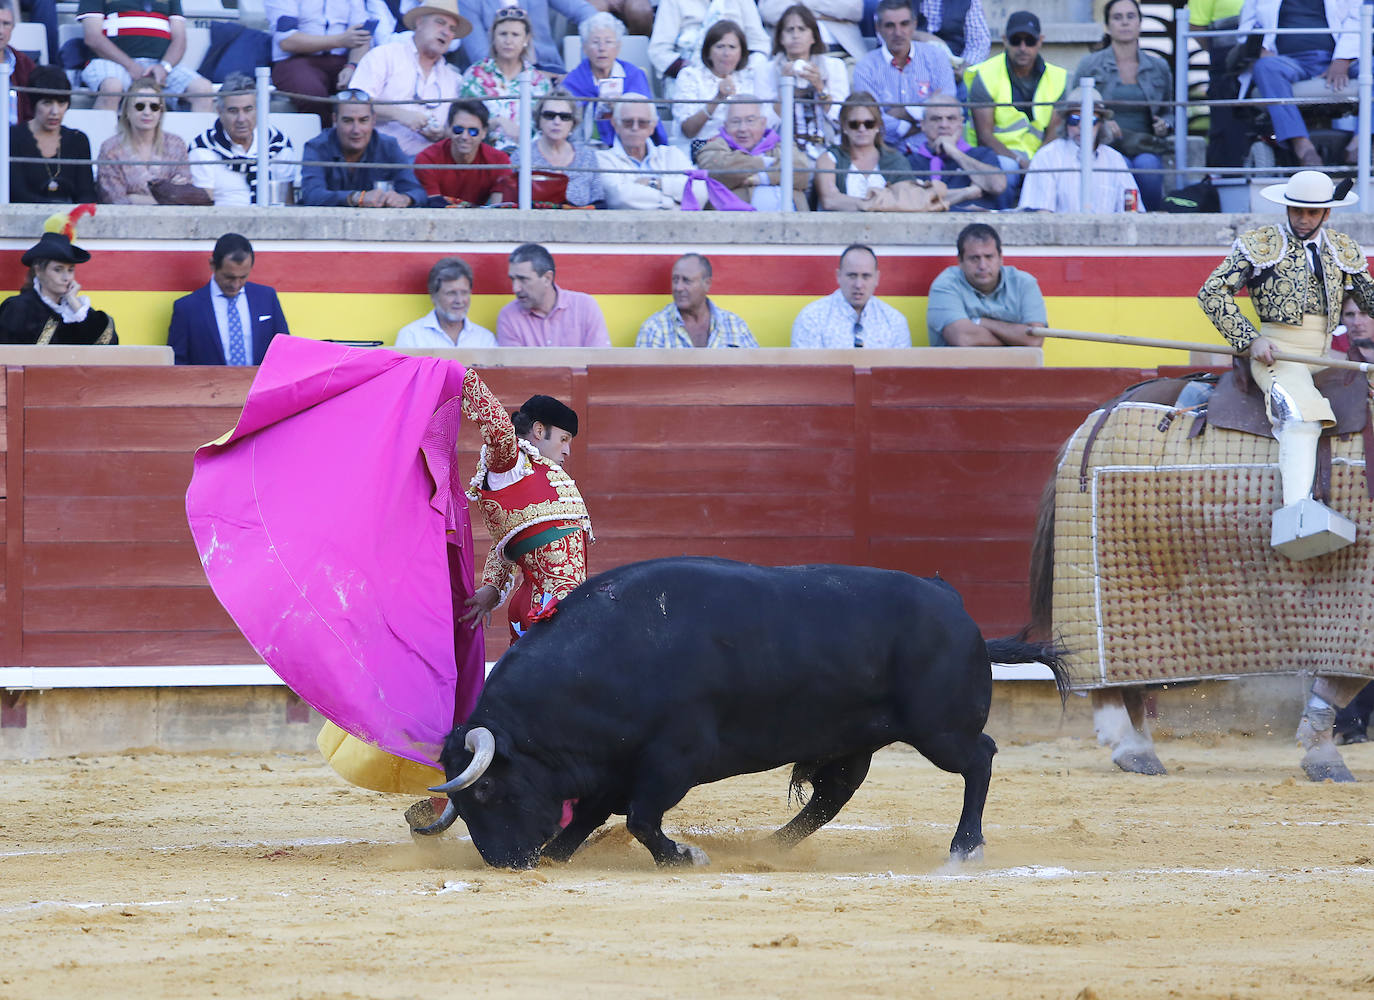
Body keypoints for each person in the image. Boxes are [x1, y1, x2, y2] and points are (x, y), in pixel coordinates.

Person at [1199, 170, 1374, 517]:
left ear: (1327, 212)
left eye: (1312, 212)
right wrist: (1251, 339)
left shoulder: (1342, 249)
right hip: (1277, 355)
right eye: (1297, 210)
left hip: (1327, 355)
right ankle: (1297, 514)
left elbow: (1370, 299)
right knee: (1300, 419)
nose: (1303, 219)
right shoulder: (1261, 244)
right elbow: (1212, 292)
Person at [1069, 0, 1172, 210]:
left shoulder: (1158, 67)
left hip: (1146, 145)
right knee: (1119, 165)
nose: (1124, 22)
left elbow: (1170, 111)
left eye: (1130, 16)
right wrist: (1099, 124)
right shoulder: (1090, 65)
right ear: (1107, 26)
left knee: (1148, 166)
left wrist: (1165, 124)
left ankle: (1151, 220)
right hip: (1105, 145)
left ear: (1140, 24)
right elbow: (1074, 106)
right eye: (1117, 17)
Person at [1243, 0, 1358, 167]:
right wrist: (1261, 48)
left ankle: (1360, 143)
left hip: (1342, 58)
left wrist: (1342, 59)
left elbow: (1358, 19)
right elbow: (1248, 25)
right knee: (1265, 67)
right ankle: (1303, 147)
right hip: (1290, 61)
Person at [348, 0, 469, 157]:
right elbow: (354, 103)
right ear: (419, 22)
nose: (446, 32)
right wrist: (400, 115)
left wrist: (440, 133)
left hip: (431, 164)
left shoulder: (453, 79)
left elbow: (454, 130)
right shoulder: (384, 56)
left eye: (452, 29)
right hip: (379, 158)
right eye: (440, 23)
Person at [963, 11, 1066, 188]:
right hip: (997, 156)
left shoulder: (1057, 77)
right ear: (1005, 40)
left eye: (1030, 41)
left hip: (1040, 156)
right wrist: (1019, 161)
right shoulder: (986, 74)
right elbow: (984, 136)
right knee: (1007, 172)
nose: (1023, 47)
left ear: (1040, 41)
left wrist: (1037, 163)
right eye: (1016, 40)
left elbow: (1054, 133)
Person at [167, 233, 291, 366]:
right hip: (208, 385)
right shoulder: (187, 308)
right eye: (229, 277)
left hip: (261, 385)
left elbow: (285, 349)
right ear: (213, 265)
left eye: (243, 277)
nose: (236, 284)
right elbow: (177, 363)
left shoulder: (267, 297)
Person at [851, 0, 955, 155]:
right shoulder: (865, 67)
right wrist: (921, 119)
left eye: (904, 24)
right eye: (890, 25)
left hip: (935, 151)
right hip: (885, 154)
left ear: (914, 25)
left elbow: (946, 107)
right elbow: (871, 119)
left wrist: (901, 112)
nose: (898, 32)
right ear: (878, 28)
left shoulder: (936, 57)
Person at [0, 207, 116, 345]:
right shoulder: (19, 308)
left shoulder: (76, 312)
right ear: (38, 270)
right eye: (58, 270)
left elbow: (108, 346)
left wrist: (75, 304)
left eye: (70, 270)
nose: (66, 278)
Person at [1018, 85, 1143, 213]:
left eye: (1091, 120)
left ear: (1101, 124)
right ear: (1066, 122)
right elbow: (1042, 216)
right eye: (1075, 119)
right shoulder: (1046, 157)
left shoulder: (1115, 159)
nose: (1082, 126)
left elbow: (1132, 213)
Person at [76, 0, 214, 112]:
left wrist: (164, 67)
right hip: (111, 61)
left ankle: (196, 146)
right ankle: (102, 145)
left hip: (159, 65)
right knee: (112, 88)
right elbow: (92, 37)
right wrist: (130, 66)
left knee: (203, 90)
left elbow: (180, 40)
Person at [298, 89, 428, 206]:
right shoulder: (316, 147)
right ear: (334, 120)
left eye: (363, 120)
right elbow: (312, 195)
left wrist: (405, 199)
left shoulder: (389, 146)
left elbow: (417, 192)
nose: (356, 130)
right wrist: (356, 198)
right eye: (348, 121)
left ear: (373, 120)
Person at [755, 5, 850, 166]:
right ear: (780, 38)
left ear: (813, 37)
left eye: (802, 29)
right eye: (789, 30)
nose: (795, 35)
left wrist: (820, 88)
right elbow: (764, 124)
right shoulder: (766, 70)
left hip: (828, 148)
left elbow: (842, 120)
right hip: (782, 150)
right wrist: (784, 89)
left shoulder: (834, 66)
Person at [926, 222, 1047, 346]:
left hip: (1013, 365)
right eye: (974, 258)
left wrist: (981, 322)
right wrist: (1015, 339)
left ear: (1000, 258)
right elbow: (963, 338)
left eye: (989, 257)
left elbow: (1035, 340)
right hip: (962, 365)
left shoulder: (1024, 283)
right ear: (960, 261)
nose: (982, 266)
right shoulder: (945, 285)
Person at [189, 73, 299, 206]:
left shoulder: (277, 144)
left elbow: (288, 205)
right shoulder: (203, 149)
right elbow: (203, 209)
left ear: (259, 110)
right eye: (233, 111)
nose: (241, 119)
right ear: (219, 111)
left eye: (248, 110)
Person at [459, 6, 554, 154]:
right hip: (483, 156)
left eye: (515, 34)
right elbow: (462, 124)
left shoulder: (539, 81)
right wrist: (497, 122)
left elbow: (547, 127)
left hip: (529, 158)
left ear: (526, 39)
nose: (508, 41)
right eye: (503, 34)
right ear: (493, 38)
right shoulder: (475, 75)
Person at [97, 79, 207, 205]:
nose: (147, 112)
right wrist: (167, 197)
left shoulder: (176, 144)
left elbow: (183, 196)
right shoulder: (110, 149)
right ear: (127, 111)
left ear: (161, 112)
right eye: (140, 106)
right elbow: (115, 200)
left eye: (154, 107)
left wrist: (134, 198)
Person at [562, 12, 664, 149]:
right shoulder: (574, 80)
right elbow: (564, 115)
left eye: (608, 42)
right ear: (585, 48)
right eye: (595, 42)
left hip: (629, 146)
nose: (602, 48)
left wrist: (622, 108)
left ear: (618, 47)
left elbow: (647, 114)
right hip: (584, 148)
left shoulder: (633, 75)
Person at [673, 20, 770, 159]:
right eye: (720, 46)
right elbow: (688, 130)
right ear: (708, 52)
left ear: (741, 53)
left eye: (732, 47)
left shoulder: (749, 78)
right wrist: (718, 98)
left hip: (743, 152)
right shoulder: (690, 76)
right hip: (703, 151)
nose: (726, 53)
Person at [264, 0, 373, 122]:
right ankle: (323, 139)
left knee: (368, 89)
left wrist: (352, 66)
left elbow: (363, 35)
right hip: (295, 60)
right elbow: (287, 40)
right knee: (312, 94)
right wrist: (340, 41)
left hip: (343, 61)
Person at [695, 96, 810, 211]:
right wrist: (765, 162)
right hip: (737, 224)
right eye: (735, 121)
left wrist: (763, 178)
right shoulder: (714, 146)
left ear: (763, 123)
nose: (743, 128)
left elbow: (802, 172)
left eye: (750, 121)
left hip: (792, 223)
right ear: (726, 125)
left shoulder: (781, 144)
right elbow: (717, 170)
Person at [791, 244, 912, 348]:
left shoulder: (894, 321)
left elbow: (901, 374)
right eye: (852, 276)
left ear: (877, 278)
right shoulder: (812, 318)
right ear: (838, 276)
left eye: (866, 276)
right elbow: (806, 373)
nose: (858, 285)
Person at [7, 65, 96, 204]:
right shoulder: (12, 137)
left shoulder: (79, 140)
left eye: (61, 103)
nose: (55, 111)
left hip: (71, 221)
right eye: (47, 103)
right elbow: (17, 193)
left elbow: (87, 193)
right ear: (34, 103)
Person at [814, 90, 915, 211]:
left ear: (878, 126)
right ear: (844, 127)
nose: (862, 129)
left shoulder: (897, 161)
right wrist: (868, 204)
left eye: (869, 124)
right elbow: (829, 200)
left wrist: (860, 204)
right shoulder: (829, 158)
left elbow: (909, 199)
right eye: (854, 124)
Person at [904, 91, 1006, 209]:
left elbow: (997, 186)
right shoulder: (909, 161)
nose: (944, 124)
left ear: (961, 123)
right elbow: (913, 203)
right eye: (936, 119)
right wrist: (966, 193)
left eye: (951, 118)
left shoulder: (982, 154)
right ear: (922, 125)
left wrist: (954, 152)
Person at [497, 243, 611, 347]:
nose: (515, 288)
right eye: (512, 279)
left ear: (547, 278)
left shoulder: (585, 307)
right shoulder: (509, 316)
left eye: (523, 279)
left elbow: (600, 362)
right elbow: (514, 368)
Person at [597, 93, 697, 209]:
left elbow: (699, 190)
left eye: (643, 123)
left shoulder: (671, 154)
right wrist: (673, 204)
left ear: (652, 127)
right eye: (628, 122)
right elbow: (620, 198)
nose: (635, 128)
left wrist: (655, 182)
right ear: (615, 124)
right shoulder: (603, 159)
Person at [635, 253, 757, 348]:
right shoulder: (654, 328)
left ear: (707, 284)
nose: (678, 287)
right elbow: (644, 379)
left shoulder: (734, 325)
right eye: (675, 280)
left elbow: (757, 374)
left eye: (686, 280)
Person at [511, 88, 606, 208]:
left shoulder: (587, 156)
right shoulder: (522, 156)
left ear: (573, 122)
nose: (557, 121)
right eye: (549, 115)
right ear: (538, 119)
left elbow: (598, 202)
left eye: (564, 117)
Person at [414, 98, 513, 206]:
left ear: (484, 133)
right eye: (458, 130)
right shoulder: (427, 159)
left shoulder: (499, 161)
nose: (465, 136)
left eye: (473, 131)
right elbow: (434, 205)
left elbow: (497, 210)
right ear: (448, 129)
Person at [648, 0, 770, 85]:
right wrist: (696, 75)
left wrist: (742, 72)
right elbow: (659, 51)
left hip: (737, 75)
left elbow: (760, 43)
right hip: (690, 78)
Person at [1187, 0, 1245, 167]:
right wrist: (1224, 55)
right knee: (1226, 128)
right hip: (1225, 69)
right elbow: (1196, 26)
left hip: (1268, 64)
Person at [395, 256, 497, 348]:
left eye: (464, 292)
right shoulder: (412, 336)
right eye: (451, 293)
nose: (459, 300)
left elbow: (487, 370)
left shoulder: (485, 339)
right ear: (433, 296)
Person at [759, 0, 866, 61]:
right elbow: (769, 12)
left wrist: (801, 4)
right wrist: (823, 13)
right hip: (790, 56)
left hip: (843, 55)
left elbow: (853, 9)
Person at [915, 0, 990, 72]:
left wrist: (964, 67)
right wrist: (921, 36)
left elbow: (979, 43)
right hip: (912, 66)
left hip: (954, 68)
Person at [1, 4, 37, 125]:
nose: (0, 31)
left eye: (6, 24)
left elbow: (32, 112)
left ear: (13, 27)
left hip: (18, 139)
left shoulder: (24, 64)